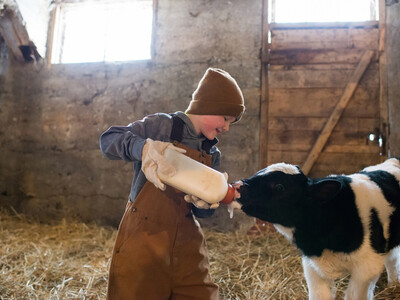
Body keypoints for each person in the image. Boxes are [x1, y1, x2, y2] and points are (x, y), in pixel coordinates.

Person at [100, 67, 245, 300]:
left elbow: (202, 213)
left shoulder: (212, 152)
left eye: (231, 123)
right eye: (226, 118)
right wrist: (144, 148)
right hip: (145, 236)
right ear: (208, 106)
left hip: (187, 241)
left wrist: (205, 205)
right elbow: (108, 141)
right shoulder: (162, 126)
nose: (226, 127)